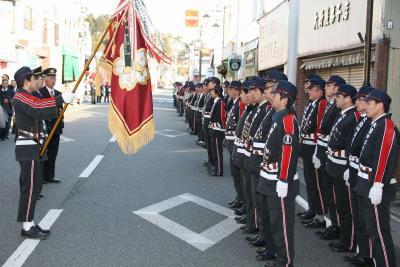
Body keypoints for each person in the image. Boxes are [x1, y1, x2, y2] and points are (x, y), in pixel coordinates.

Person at [12, 66, 75, 239]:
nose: (37, 81)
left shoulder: (30, 95)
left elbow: (42, 107)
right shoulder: (20, 97)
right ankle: (26, 225)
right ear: (26, 80)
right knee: (30, 188)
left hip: (36, 146)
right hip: (28, 147)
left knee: (36, 187)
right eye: (34, 78)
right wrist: (61, 99)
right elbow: (37, 106)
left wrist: (59, 99)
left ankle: (30, 222)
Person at [356, 89, 398, 267]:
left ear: (380, 105)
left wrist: (378, 184)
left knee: (379, 231)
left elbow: (383, 157)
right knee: (368, 226)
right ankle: (373, 260)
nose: (366, 106)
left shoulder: (386, 126)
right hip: (365, 181)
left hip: (375, 183)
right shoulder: (375, 123)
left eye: (370, 103)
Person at [261, 80, 299, 267]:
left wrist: (283, 179)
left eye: (275, 95)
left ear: (284, 99)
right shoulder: (278, 117)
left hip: (279, 180)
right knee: (272, 221)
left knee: (282, 224)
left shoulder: (289, 120)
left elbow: (288, 153)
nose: (271, 97)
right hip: (269, 177)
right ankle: (277, 255)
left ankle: (285, 261)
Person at [325, 84, 360, 253]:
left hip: (342, 166)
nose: (336, 98)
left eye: (339, 96)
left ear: (348, 99)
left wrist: (348, 167)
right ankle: (341, 234)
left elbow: (351, 146)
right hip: (333, 163)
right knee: (337, 202)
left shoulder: (353, 117)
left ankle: (349, 242)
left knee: (345, 206)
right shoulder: (343, 114)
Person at [343, 86, 374, 266]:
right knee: (358, 215)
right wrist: (349, 166)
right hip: (355, 171)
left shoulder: (372, 122)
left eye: (361, 100)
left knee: (365, 218)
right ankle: (361, 251)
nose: (357, 103)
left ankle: (367, 255)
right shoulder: (362, 119)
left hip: (364, 175)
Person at [312, 75, 345, 241]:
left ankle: (337, 226)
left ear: (338, 87)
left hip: (331, 154)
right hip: (325, 151)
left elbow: (331, 132)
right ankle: (332, 224)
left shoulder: (338, 107)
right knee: (328, 192)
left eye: (329, 85)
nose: (326, 87)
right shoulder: (331, 104)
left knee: (334, 194)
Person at [299, 75, 328, 228]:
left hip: (313, 146)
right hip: (306, 144)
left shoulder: (322, 104)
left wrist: (317, 149)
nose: (308, 91)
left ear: (318, 90)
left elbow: (319, 127)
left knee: (316, 183)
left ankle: (320, 214)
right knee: (310, 181)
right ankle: (312, 209)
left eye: (311, 89)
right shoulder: (311, 103)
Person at [39, 68, 63, 184]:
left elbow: (60, 111)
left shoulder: (58, 93)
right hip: (46, 127)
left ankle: (50, 175)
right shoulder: (40, 92)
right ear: (45, 79)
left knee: (53, 152)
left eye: (55, 78)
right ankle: (42, 177)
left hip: (56, 127)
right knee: (44, 152)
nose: (54, 80)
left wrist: (60, 126)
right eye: (51, 78)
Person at [225, 81, 244, 206]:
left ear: (237, 90)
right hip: (231, 141)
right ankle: (239, 196)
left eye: (231, 88)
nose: (228, 91)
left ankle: (241, 198)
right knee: (235, 173)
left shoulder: (240, 104)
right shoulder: (234, 102)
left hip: (236, 142)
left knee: (238, 174)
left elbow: (240, 127)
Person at [208, 85, 226, 176]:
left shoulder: (220, 102)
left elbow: (222, 117)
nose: (211, 92)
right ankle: (216, 168)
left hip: (218, 130)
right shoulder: (216, 101)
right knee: (214, 150)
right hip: (214, 129)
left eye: (213, 91)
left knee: (218, 152)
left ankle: (219, 170)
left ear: (217, 92)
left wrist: (220, 126)